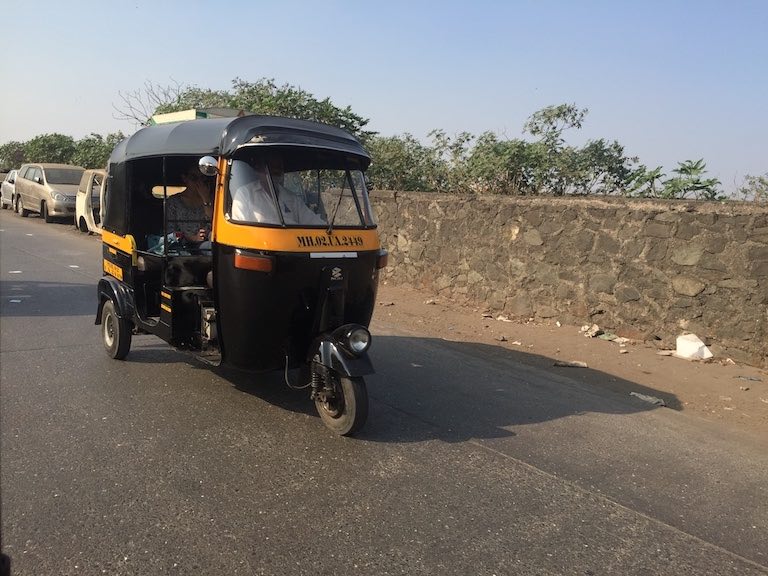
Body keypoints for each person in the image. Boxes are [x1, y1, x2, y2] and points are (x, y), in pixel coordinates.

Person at [230, 157, 325, 226]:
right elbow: (243, 232)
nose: (276, 170)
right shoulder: (245, 194)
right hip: (261, 251)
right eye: (271, 167)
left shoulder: (292, 199)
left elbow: (316, 224)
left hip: (294, 250)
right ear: (259, 169)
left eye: (279, 167)